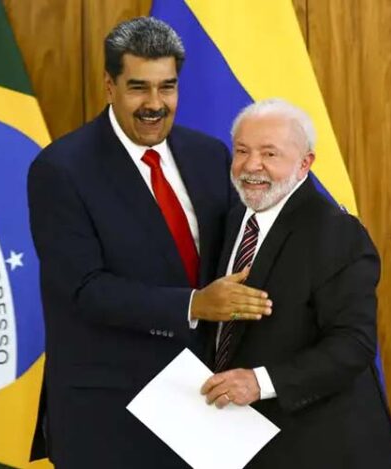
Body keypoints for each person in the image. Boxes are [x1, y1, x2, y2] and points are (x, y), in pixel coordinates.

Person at [28, 17, 271, 468]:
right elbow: (84, 290)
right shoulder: (61, 170)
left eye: (167, 87)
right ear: (109, 86)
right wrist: (195, 304)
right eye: (139, 87)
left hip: (203, 406)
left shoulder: (208, 154)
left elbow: (239, 247)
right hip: (108, 416)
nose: (155, 104)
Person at [200, 98, 391, 468]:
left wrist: (259, 382)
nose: (251, 166)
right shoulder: (230, 221)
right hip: (237, 442)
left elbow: (353, 345)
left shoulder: (337, 234)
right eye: (242, 151)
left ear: (305, 164)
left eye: (270, 154)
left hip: (319, 447)